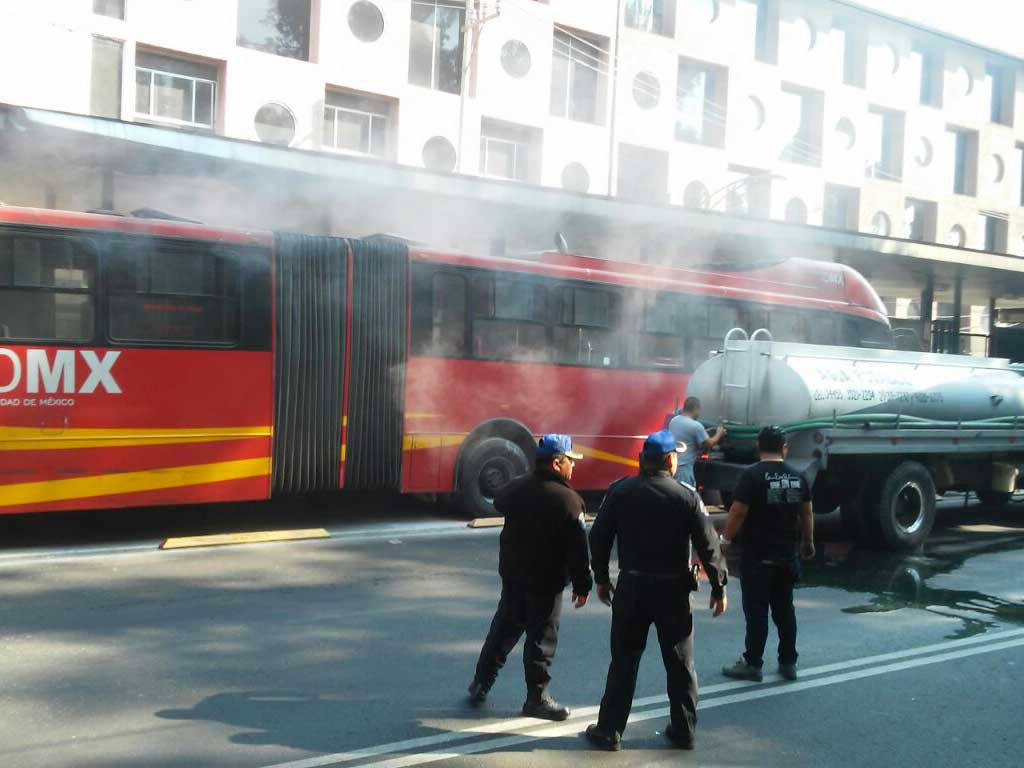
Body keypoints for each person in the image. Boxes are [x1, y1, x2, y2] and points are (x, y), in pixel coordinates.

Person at [584, 430, 728, 752]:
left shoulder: (620, 492)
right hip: (672, 591)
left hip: (632, 588)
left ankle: (609, 731)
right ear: (669, 460)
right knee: (680, 665)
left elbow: (599, 538)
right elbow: (709, 545)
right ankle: (684, 732)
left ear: (642, 460)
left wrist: (602, 578)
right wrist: (719, 587)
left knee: (623, 661)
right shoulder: (686, 495)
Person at [467, 434, 593, 721]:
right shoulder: (570, 501)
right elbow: (578, 552)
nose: (573, 467)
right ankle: (537, 699)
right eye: (570, 461)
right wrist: (583, 584)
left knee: (503, 630)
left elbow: (500, 501)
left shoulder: (516, 488)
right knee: (541, 641)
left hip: (513, 575)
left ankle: (481, 682)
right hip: (545, 584)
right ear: (556, 462)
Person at [720, 425, 815, 683]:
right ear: (784, 447)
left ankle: (753, 664)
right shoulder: (798, 476)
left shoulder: (751, 476)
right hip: (787, 556)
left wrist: (725, 539)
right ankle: (788, 663)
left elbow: (738, 511)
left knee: (757, 613)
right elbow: (806, 513)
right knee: (785, 610)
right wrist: (808, 542)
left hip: (758, 557)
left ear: (758, 446)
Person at [668, 397, 726, 489]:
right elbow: (709, 443)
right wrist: (719, 433)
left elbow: (686, 434)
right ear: (696, 408)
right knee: (685, 497)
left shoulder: (674, 421)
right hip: (684, 470)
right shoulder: (696, 426)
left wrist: (705, 431)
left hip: (671, 466)